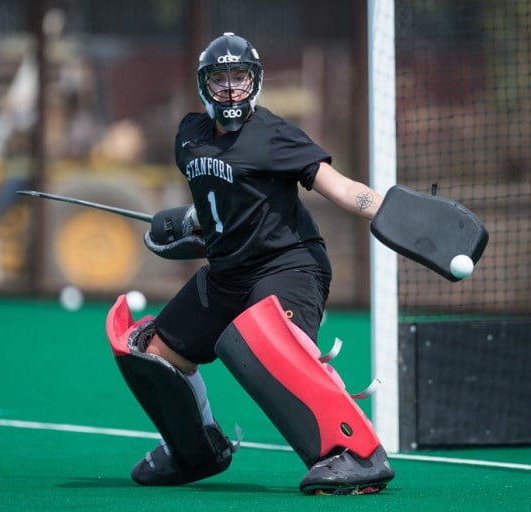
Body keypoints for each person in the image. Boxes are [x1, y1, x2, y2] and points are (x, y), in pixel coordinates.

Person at [110, 32, 395, 495]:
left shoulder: (274, 135)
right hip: (228, 271)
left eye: (238, 77)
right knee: (153, 355)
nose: (229, 88)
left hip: (287, 265)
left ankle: (356, 455)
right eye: (218, 78)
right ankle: (195, 450)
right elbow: (220, 203)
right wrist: (192, 225)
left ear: (254, 81)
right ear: (204, 85)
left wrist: (398, 214)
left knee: (265, 345)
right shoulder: (189, 136)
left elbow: (342, 189)